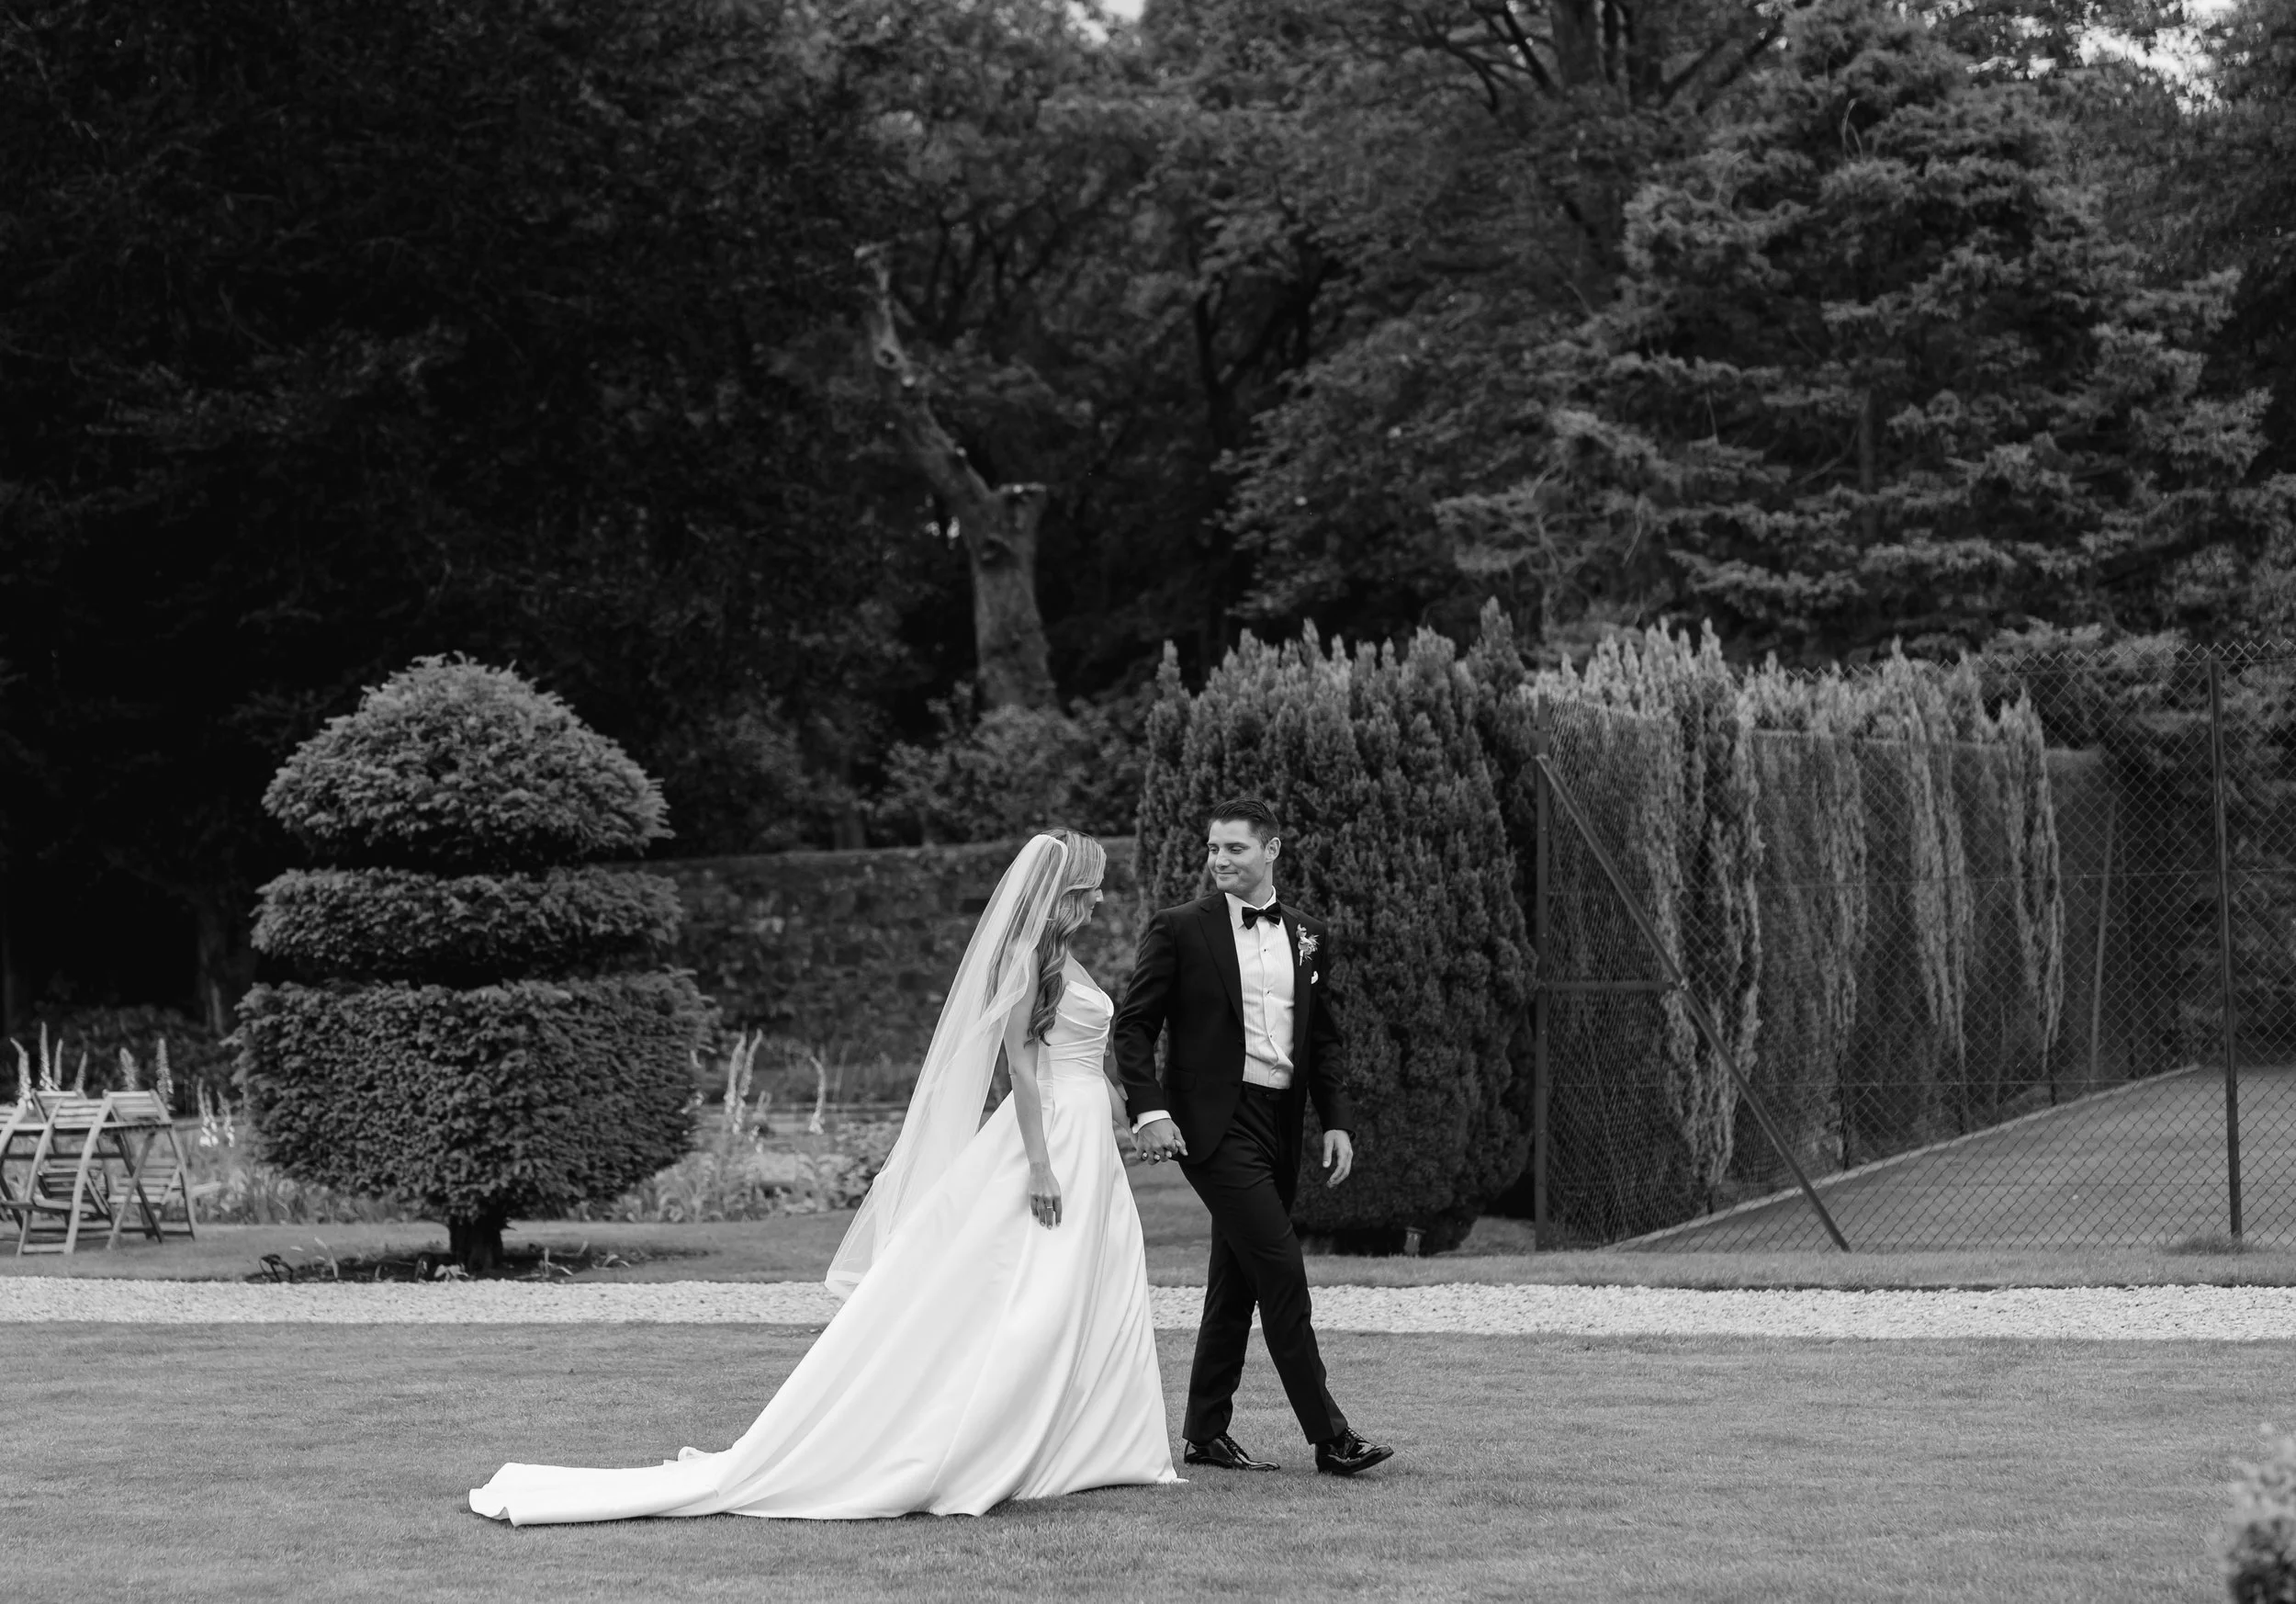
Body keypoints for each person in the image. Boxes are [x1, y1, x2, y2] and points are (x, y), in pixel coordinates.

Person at [468, 829, 1178, 1524]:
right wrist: (1042, 1167)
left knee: (1091, 1282)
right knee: (1029, 1292)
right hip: (1050, 1140)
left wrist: (1120, 1114)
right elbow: (1022, 1070)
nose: (1103, 896)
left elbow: (1084, 1059)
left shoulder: (1067, 960)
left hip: (1090, 1138)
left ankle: (1088, 1440)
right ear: (1069, 889)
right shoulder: (1025, 959)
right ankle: (988, 1438)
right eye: (1095, 884)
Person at [1111, 797, 1393, 1477]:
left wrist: (1338, 1120)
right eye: (1212, 849)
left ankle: (1206, 1434)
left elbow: (1322, 1040)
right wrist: (1150, 1111)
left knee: (1234, 1285)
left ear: (1271, 851)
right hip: (1214, 1125)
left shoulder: (1310, 935)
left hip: (1280, 1124)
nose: (1218, 861)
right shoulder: (1179, 929)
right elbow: (1133, 1025)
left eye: (1234, 849)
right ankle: (1331, 1438)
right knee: (1281, 1272)